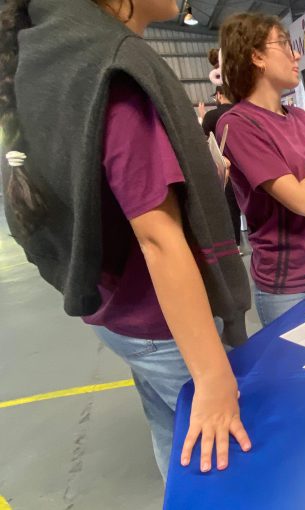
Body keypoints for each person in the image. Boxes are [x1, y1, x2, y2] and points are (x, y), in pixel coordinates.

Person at [0, 0, 253, 478]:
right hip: (160, 321)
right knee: (222, 459)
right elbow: (157, 237)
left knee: (170, 430)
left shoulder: (50, 52)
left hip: (114, 310)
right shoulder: (111, 63)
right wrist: (213, 375)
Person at [217, 13, 305, 326]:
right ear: (257, 56)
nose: (297, 54)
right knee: (297, 372)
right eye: (285, 45)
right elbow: (302, 201)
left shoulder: (300, 118)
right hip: (290, 284)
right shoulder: (238, 124)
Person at [202, 78, 244, 249]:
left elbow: (204, 141)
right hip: (246, 166)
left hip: (225, 168)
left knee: (230, 207)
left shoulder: (212, 116)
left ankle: (236, 244)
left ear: (219, 95)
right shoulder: (242, 113)